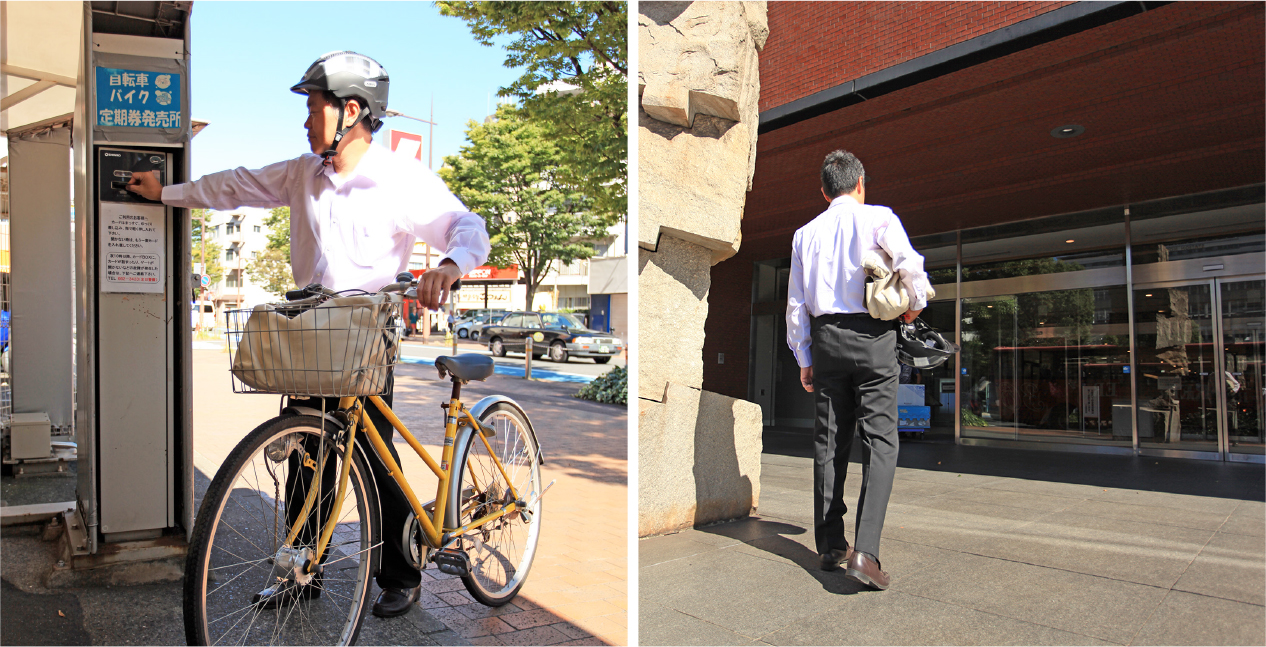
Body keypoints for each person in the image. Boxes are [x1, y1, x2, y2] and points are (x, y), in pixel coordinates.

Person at [126, 51, 490, 617]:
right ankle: (301, 571)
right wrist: (165, 193)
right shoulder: (302, 172)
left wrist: (448, 265)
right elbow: (235, 186)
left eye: (312, 106)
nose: (304, 119)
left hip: (364, 336)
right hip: (308, 331)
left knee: (371, 452)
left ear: (350, 110)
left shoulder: (397, 178)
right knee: (305, 452)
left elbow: (465, 226)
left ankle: (402, 571)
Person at [786, 150, 931, 590]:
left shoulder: (803, 234)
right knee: (882, 441)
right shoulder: (880, 218)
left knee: (829, 442)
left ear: (824, 191)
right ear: (860, 184)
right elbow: (910, 265)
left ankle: (831, 546)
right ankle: (865, 553)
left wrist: (804, 359)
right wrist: (915, 307)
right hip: (874, 339)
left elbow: (797, 304)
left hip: (826, 340)